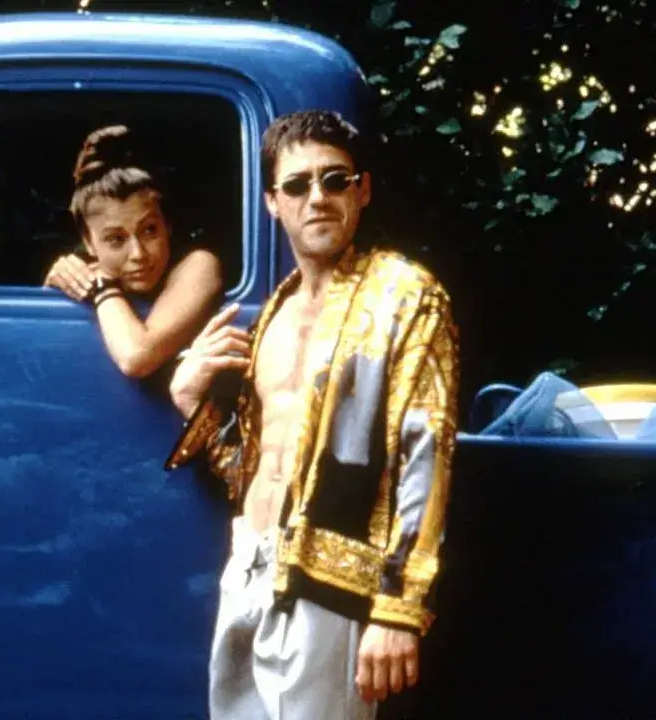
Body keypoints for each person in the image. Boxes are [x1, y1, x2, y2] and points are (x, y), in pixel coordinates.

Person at [166, 110, 460, 719]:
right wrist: (190, 400)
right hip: (250, 565)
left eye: (335, 179)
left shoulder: (404, 295)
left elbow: (425, 455)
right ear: (273, 203)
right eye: (297, 185)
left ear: (363, 190)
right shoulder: (273, 311)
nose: (317, 197)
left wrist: (398, 608)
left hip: (335, 581)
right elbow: (252, 471)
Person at [43, 124, 223, 379]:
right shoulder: (84, 267)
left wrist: (102, 286)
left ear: (168, 225)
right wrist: (62, 282)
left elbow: (137, 357)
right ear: (89, 242)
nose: (138, 254)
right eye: (116, 239)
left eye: (150, 230)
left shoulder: (200, 265)